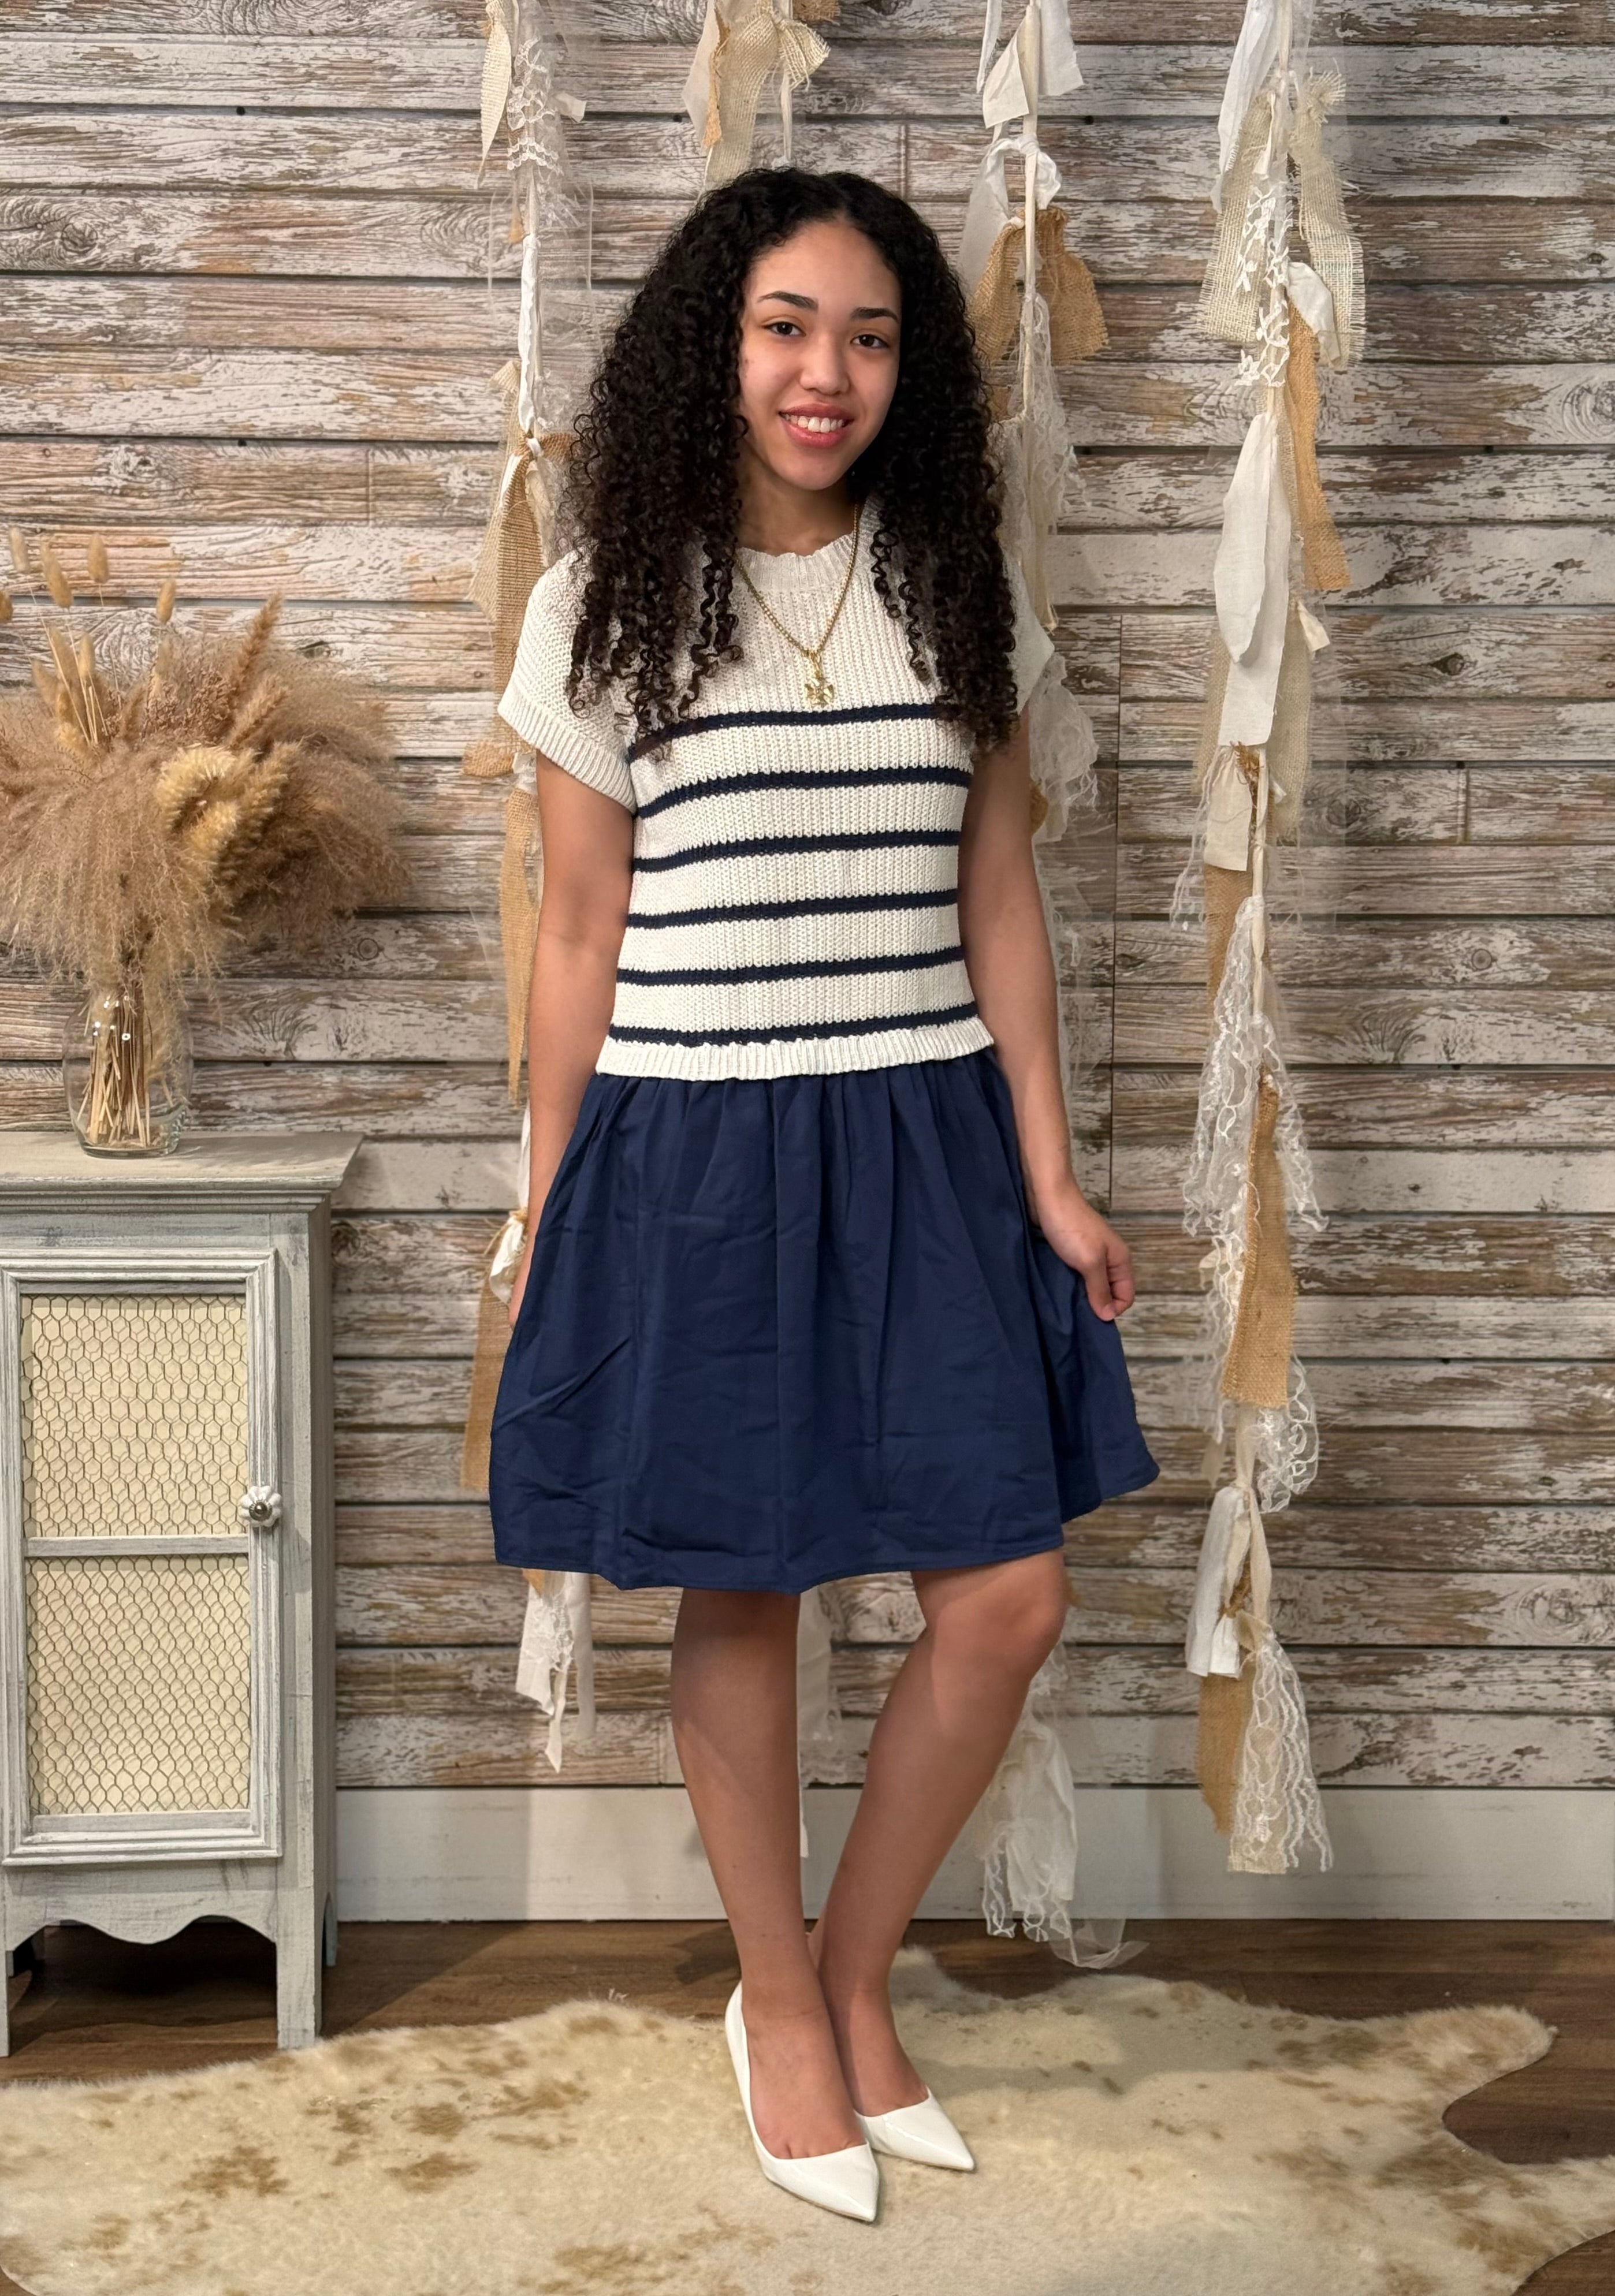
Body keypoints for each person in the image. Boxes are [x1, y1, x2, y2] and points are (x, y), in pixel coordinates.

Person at [488, 165, 1159, 2224]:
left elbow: (997, 893)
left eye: (868, 336)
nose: (825, 372)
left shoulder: (957, 589)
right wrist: (545, 1210)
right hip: (692, 1146)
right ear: (715, 343)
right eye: (787, 326)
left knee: (1005, 1595)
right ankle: (777, 2003)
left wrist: (1049, 1174)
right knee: (744, 1579)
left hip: (926, 1136)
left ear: (907, 371)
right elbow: (577, 934)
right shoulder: (604, 598)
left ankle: (855, 1973)